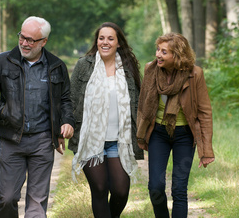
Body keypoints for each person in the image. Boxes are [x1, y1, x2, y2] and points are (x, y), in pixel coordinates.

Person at [0, 16, 74, 217]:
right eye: (22, 37)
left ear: (44, 42)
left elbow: (65, 99)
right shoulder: (3, 61)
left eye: (31, 40)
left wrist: (66, 121)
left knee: (36, 205)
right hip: (12, 139)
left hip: (42, 140)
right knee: (7, 199)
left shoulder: (56, 66)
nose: (24, 43)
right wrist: (5, 113)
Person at [68, 22, 143, 218]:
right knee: (100, 189)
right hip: (92, 140)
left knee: (120, 191)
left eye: (110, 38)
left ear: (119, 43)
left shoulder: (128, 68)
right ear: (96, 41)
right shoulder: (85, 65)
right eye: (101, 38)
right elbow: (71, 99)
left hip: (119, 141)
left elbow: (139, 102)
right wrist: (64, 126)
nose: (105, 42)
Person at [136, 32, 215, 218]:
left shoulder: (194, 74)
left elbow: (204, 112)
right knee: (155, 187)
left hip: (184, 136)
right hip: (158, 134)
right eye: (157, 50)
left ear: (177, 55)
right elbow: (142, 105)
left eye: (164, 52)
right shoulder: (150, 69)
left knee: (179, 189)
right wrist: (140, 135)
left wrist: (207, 150)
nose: (158, 55)